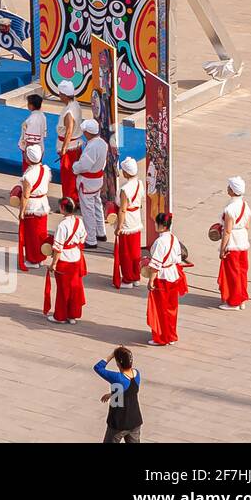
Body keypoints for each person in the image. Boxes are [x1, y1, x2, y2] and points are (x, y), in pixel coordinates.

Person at [146, 212, 188, 346]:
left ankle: (161, 337)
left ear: (161, 226)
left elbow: (156, 264)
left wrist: (151, 280)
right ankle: (170, 335)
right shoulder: (173, 238)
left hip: (162, 277)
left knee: (160, 308)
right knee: (171, 307)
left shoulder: (159, 242)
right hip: (173, 274)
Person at [46, 198, 88, 324]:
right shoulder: (79, 221)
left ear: (63, 209)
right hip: (76, 257)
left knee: (63, 289)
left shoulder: (62, 225)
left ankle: (60, 316)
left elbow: (58, 248)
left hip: (64, 260)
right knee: (74, 288)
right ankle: (72, 315)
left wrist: (53, 264)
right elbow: (82, 239)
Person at [218, 176, 251, 310]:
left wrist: (222, 249)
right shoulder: (245, 205)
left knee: (232, 273)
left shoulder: (230, 209)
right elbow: (247, 225)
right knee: (242, 272)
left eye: (229, 186)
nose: (227, 188)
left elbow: (227, 231)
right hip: (243, 240)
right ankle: (242, 299)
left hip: (233, 242)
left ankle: (234, 301)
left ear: (232, 190)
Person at [95, 347, 142, 443]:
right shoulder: (136, 373)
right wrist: (112, 394)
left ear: (118, 363)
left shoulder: (117, 378)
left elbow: (98, 367)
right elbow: (128, 392)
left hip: (118, 423)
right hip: (135, 420)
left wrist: (112, 354)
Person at [17, 144, 52, 271]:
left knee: (31, 234)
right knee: (41, 233)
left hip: (32, 205)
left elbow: (26, 195)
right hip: (43, 203)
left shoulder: (28, 176)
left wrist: (21, 211)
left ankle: (33, 259)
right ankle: (41, 256)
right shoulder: (46, 170)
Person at [73, 119, 108, 245]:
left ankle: (91, 239)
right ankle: (101, 232)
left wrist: (75, 167)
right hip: (97, 179)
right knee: (97, 205)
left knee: (88, 210)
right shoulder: (103, 143)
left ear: (88, 133)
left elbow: (84, 165)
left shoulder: (92, 146)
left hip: (88, 181)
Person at [113, 158, 146, 288]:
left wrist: (119, 227)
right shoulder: (140, 184)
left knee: (125, 252)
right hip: (136, 218)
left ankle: (128, 279)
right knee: (135, 251)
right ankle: (136, 276)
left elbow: (122, 209)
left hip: (127, 221)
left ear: (126, 173)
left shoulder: (125, 189)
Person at [56, 81, 84, 203]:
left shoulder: (69, 112)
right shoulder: (75, 105)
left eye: (60, 94)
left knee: (68, 176)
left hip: (69, 147)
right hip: (75, 144)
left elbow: (69, 130)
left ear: (65, 95)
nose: (59, 96)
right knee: (74, 174)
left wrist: (64, 148)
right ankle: (75, 198)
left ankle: (68, 201)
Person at [19, 93, 47, 172]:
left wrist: (27, 155)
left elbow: (32, 140)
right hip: (38, 148)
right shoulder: (42, 116)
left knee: (29, 172)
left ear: (31, 105)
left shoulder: (34, 119)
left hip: (31, 152)